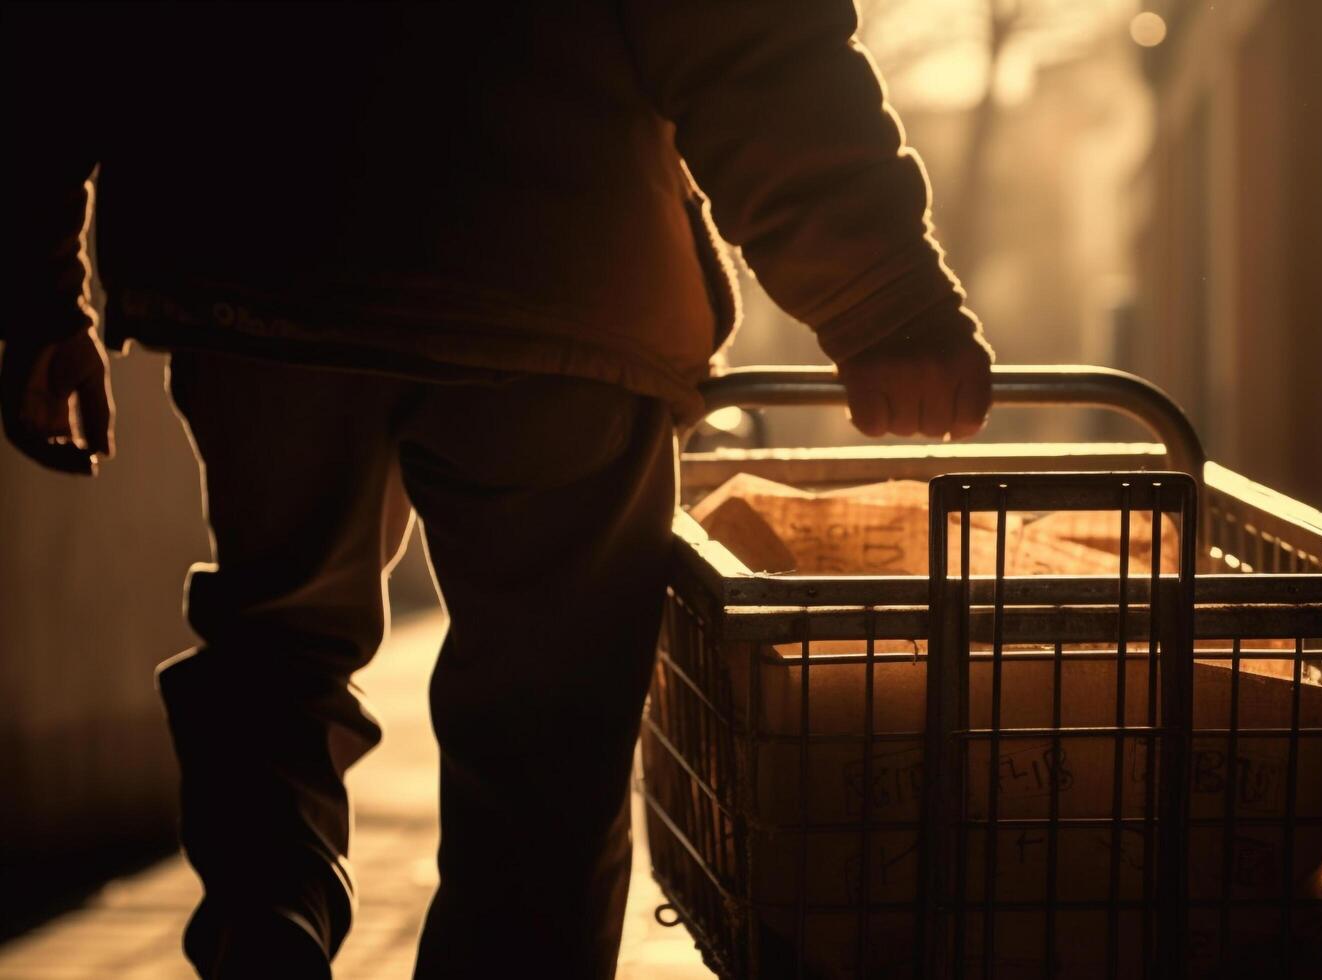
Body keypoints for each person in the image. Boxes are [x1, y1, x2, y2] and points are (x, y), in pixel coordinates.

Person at [1, 3, 992, 978]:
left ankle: (267, 922)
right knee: (544, 724)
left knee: (275, 643)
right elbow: (747, 37)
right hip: (559, 265)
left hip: (256, 241)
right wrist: (881, 301)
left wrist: (36, 294)